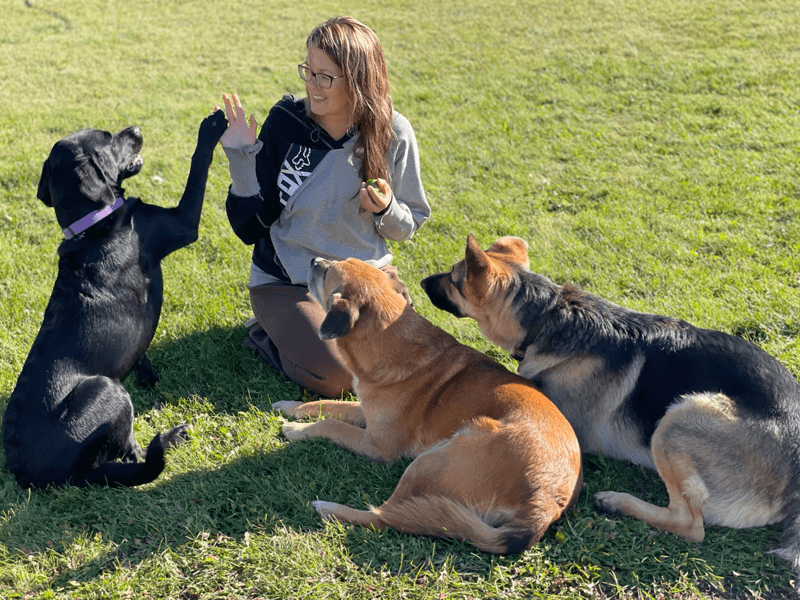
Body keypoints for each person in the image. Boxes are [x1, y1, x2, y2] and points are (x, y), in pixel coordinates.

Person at [219, 16, 430, 397]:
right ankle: (266, 333)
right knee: (341, 377)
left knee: (409, 363)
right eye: (308, 71)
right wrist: (241, 160)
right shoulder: (286, 124)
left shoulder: (393, 132)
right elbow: (249, 228)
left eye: (324, 77)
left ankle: (308, 335)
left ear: (358, 80)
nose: (311, 85)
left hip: (366, 278)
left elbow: (406, 226)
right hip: (290, 283)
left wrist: (386, 209)